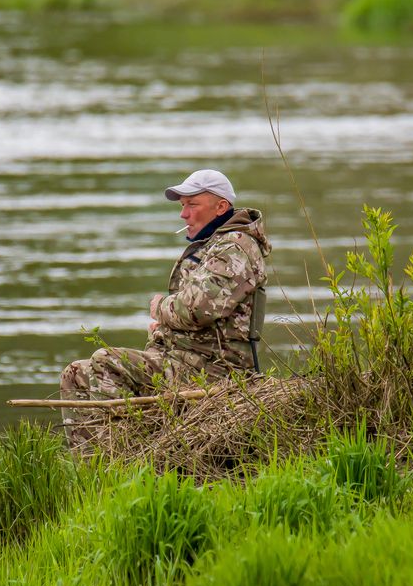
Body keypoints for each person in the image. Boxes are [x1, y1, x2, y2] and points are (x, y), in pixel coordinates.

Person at [59, 169, 271, 447]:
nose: (183, 214)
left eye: (192, 204)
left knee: (105, 361)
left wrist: (161, 309)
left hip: (213, 371)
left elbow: (198, 309)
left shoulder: (235, 247)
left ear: (221, 207)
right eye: (183, 205)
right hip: (185, 360)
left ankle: (120, 461)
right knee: (75, 373)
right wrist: (167, 324)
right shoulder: (214, 244)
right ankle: (91, 471)